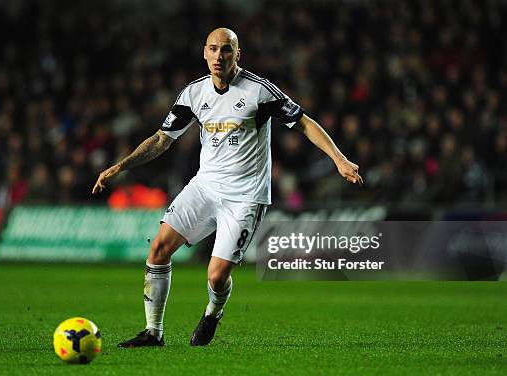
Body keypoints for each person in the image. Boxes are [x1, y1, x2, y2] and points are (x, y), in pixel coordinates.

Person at [92, 28, 363, 347]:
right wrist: (121, 165)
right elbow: (162, 139)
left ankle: (212, 313)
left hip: (246, 196)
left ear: (238, 54)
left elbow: (302, 121)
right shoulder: (194, 94)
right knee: (159, 249)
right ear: (204, 53)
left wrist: (339, 158)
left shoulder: (259, 91)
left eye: (226, 50)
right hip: (205, 187)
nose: (219, 56)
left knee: (216, 276)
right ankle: (154, 332)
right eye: (213, 49)